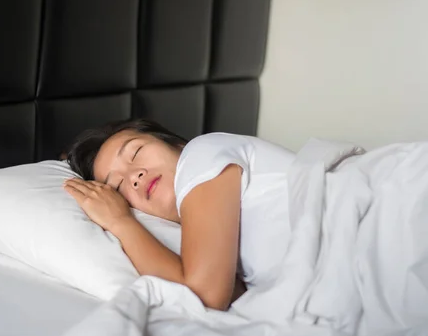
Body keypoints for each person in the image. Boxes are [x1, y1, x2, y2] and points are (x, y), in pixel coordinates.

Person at [63, 119, 295, 311]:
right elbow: (230, 294)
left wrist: (121, 222)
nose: (135, 176)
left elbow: (204, 296)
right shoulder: (212, 228)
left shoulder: (201, 152)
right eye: (119, 185)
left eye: (137, 152)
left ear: (177, 145)